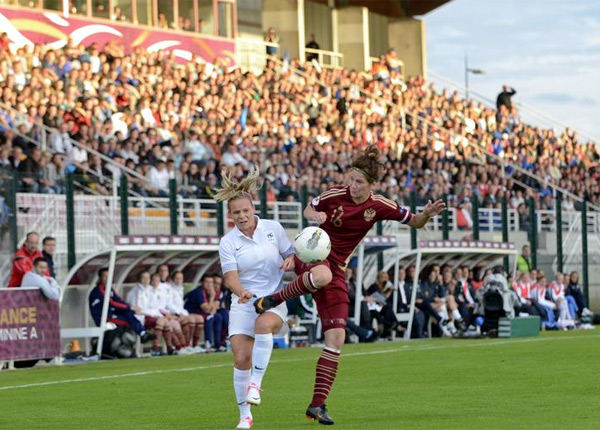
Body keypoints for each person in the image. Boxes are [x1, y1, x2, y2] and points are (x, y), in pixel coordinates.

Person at [254, 145, 445, 425]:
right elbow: (310, 207)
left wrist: (426, 213)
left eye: (358, 182)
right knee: (322, 276)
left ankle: (317, 406)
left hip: (338, 268)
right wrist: (314, 216)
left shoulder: (380, 205)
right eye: (350, 179)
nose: (351, 185)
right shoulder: (334, 194)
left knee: (337, 339)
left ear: (371, 185)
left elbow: (415, 221)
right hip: (314, 255)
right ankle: (273, 299)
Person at [214, 167, 295, 430]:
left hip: (273, 300)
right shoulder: (228, 242)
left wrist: (292, 259)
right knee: (240, 359)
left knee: (263, 325)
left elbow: (292, 255)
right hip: (243, 303)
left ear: (253, 207)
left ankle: (256, 385)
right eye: (236, 213)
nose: (241, 216)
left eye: (245, 210)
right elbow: (230, 277)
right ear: (230, 216)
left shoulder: (274, 228)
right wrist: (240, 292)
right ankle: (245, 417)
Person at [88, 268, 155, 344]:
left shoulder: (109, 289)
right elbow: (111, 303)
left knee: (129, 313)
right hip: (104, 317)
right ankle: (136, 337)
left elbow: (118, 300)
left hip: (112, 313)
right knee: (128, 321)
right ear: (100, 278)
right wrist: (129, 307)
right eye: (105, 276)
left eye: (109, 276)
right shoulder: (98, 291)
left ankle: (143, 334)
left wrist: (129, 308)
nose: (107, 279)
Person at [167, 270, 206, 353]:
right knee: (190, 320)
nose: (178, 280)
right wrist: (179, 313)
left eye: (180, 278)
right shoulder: (169, 289)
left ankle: (194, 345)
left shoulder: (180, 288)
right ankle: (185, 345)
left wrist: (183, 312)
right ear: (173, 279)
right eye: (176, 278)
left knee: (200, 319)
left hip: (180, 312)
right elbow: (169, 304)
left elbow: (180, 305)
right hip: (173, 313)